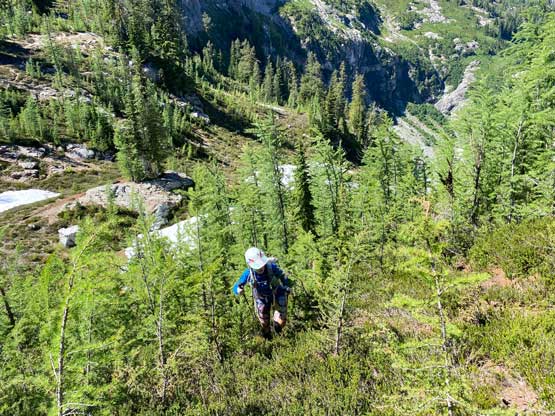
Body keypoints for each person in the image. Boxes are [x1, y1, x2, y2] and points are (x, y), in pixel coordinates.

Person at [233, 247, 291, 339]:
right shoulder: (248, 273)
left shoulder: (271, 267)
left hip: (277, 293)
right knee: (264, 322)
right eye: (257, 265)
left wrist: (287, 286)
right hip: (261, 298)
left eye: (261, 264)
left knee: (280, 319)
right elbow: (236, 286)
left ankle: (278, 332)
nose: (260, 267)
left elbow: (283, 276)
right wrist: (238, 289)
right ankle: (268, 337)